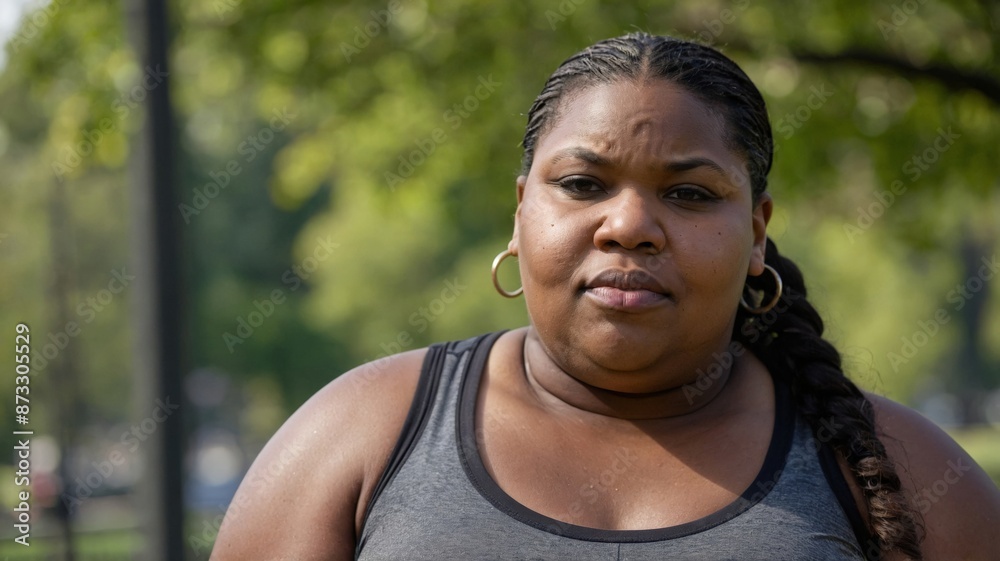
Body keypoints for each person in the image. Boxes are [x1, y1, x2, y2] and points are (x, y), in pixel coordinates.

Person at [210, 33, 1000, 560]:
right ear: (520, 212)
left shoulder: (899, 472)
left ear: (757, 231)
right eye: (583, 184)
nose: (630, 225)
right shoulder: (357, 437)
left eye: (689, 194)